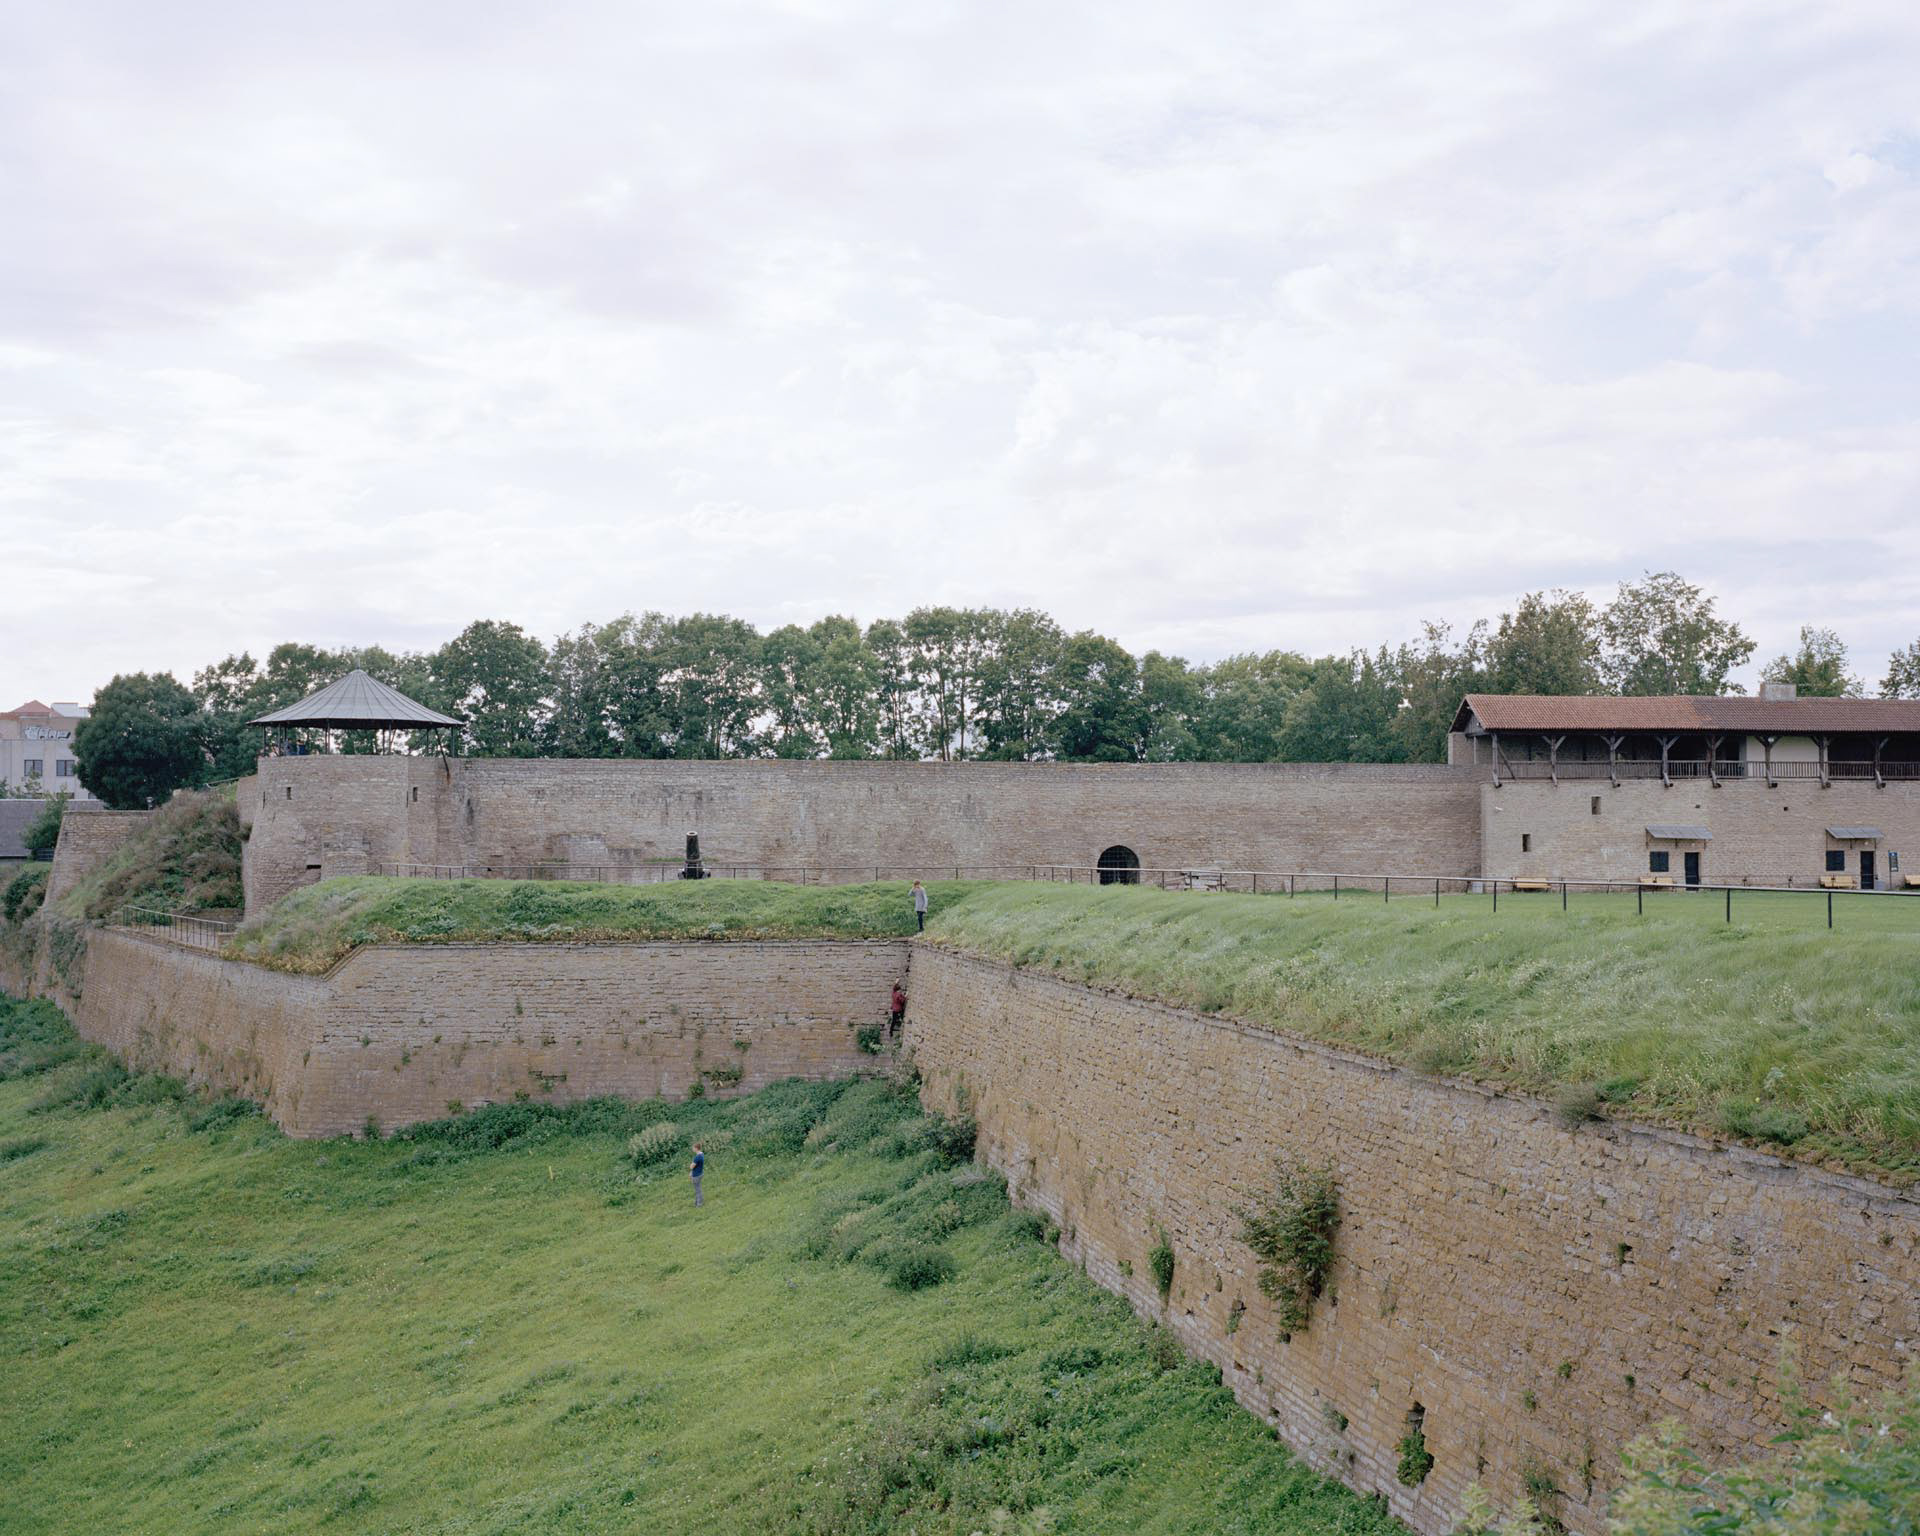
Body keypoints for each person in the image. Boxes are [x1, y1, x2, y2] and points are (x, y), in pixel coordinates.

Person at [689, 1142, 704, 1207]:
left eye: (693, 1148)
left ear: (696, 1148)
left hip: (696, 1175)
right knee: (697, 1189)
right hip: (699, 1173)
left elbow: (691, 1166)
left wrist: (691, 1166)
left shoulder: (697, 1157)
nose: (692, 1149)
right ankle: (697, 1202)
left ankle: (699, 1204)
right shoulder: (702, 1154)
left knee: (697, 1190)